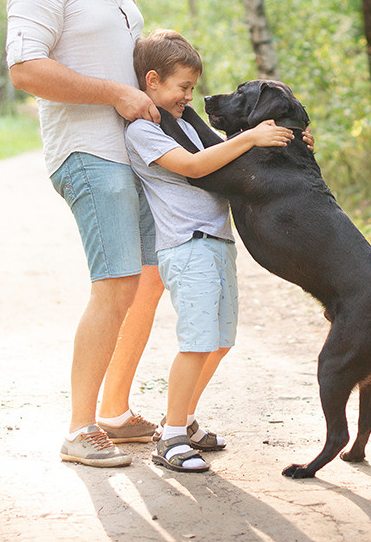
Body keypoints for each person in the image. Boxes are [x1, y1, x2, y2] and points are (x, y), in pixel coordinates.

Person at [5, 0, 164, 468]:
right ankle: (79, 429)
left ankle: (115, 412)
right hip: (87, 152)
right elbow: (24, 69)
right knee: (116, 281)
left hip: (133, 154)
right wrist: (114, 94)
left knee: (149, 277)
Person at [123, 30, 294, 472]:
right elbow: (195, 167)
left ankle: (182, 418)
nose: (189, 97)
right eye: (183, 87)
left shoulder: (186, 125)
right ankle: (172, 438)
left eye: (193, 88)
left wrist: (280, 144)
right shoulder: (144, 131)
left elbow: (226, 162)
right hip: (186, 246)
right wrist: (251, 137)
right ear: (152, 81)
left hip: (217, 242)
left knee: (219, 342)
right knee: (197, 342)